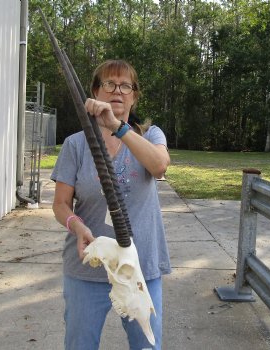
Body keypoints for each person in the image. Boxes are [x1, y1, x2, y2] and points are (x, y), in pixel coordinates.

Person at [51, 59, 171, 350]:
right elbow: (61, 204)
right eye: (108, 83)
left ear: (135, 95)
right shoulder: (76, 145)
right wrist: (76, 226)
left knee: (147, 344)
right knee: (80, 344)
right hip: (88, 267)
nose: (117, 91)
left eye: (125, 85)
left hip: (140, 267)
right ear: (95, 92)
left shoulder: (151, 136)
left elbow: (159, 167)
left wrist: (117, 127)